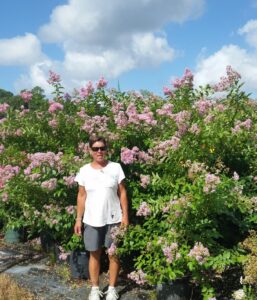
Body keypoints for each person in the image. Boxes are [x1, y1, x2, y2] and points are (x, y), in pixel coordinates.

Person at [74, 136, 129, 300]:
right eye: (96, 148)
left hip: (114, 219)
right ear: (90, 150)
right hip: (91, 220)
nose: (99, 151)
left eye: (102, 148)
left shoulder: (116, 167)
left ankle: (112, 288)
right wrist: (78, 219)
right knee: (94, 254)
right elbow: (81, 196)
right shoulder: (84, 170)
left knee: (113, 254)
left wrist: (125, 216)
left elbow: (123, 192)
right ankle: (95, 289)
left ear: (107, 149)